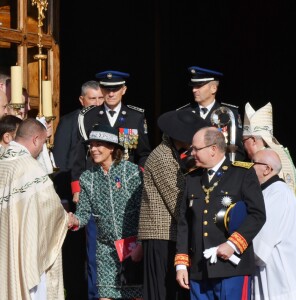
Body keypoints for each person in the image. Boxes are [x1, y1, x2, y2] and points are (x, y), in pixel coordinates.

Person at [71, 70, 152, 300]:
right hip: (98, 188)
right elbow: (80, 157)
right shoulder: (88, 116)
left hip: (128, 190)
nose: (110, 93)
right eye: (106, 89)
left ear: (123, 90)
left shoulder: (135, 116)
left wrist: (137, 178)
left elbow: (143, 154)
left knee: (134, 282)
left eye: (115, 88)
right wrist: (78, 190)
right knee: (97, 259)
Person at [175, 126, 266, 300]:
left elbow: (257, 214)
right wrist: (181, 264)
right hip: (199, 270)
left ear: (213, 149)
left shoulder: (242, 173)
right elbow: (184, 223)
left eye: (196, 148)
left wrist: (232, 244)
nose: (191, 153)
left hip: (231, 268)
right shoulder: (192, 179)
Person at [138, 109, 208, 300]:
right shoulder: (163, 157)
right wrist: (200, 225)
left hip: (171, 234)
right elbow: (176, 200)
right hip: (161, 234)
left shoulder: (175, 154)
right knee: (161, 291)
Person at [69, 124, 144, 300]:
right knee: (105, 296)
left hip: (132, 247)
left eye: (98, 145)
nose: (93, 149)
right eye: (92, 145)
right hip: (106, 250)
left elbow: (144, 212)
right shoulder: (88, 178)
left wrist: (141, 245)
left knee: (136, 295)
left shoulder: (131, 173)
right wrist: (73, 220)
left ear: (111, 147)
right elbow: (83, 214)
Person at [0, 118, 72, 300]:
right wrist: (67, 219)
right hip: (26, 249)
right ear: (36, 140)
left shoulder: (3, 162)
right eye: (43, 143)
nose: (42, 149)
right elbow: (51, 209)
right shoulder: (31, 168)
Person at [52, 80, 104, 300]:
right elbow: (63, 164)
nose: (98, 103)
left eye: (101, 98)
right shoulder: (69, 122)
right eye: (93, 99)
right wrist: (65, 197)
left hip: (102, 197)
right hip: (76, 198)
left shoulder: (105, 120)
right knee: (76, 252)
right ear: (82, 100)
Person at [251, 148, 296, 299]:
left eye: (253, 163)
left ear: (267, 169)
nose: (249, 167)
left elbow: (261, 241)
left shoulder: (277, 193)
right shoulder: (269, 192)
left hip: (279, 280)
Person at [178, 66, 245, 162]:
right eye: (193, 86)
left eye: (199, 86)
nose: (194, 90)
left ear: (213, 88)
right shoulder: (183, 113)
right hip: (190, 172)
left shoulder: (228, 113)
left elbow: (237, 151)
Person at [242, 102, 296, 200]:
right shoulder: (278, 155)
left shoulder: (263, 162)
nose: (243, 146)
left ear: (254, 140)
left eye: (244, 141)